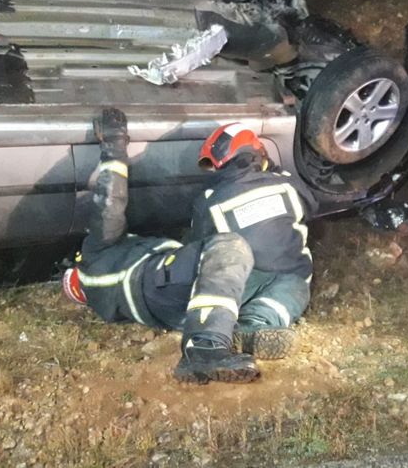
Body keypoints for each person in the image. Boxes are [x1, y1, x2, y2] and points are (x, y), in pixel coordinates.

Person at [62, 108, 259, 385]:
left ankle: (219, 337)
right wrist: (114, 145)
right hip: (151, 281)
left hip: (163, 308)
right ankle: (204, 349)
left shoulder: (102, 299)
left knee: (225, 282)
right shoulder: (94, 255)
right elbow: (109, 205)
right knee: (230, 248)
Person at [185, 123, 318, 360]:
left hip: (242, 280)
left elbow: (199, 246)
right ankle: (257, 323)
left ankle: (229, 328)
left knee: (223, 284)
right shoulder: (287, 185)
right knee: (291, 294)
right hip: (292, 274)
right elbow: (312, 208)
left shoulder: (210, 201)